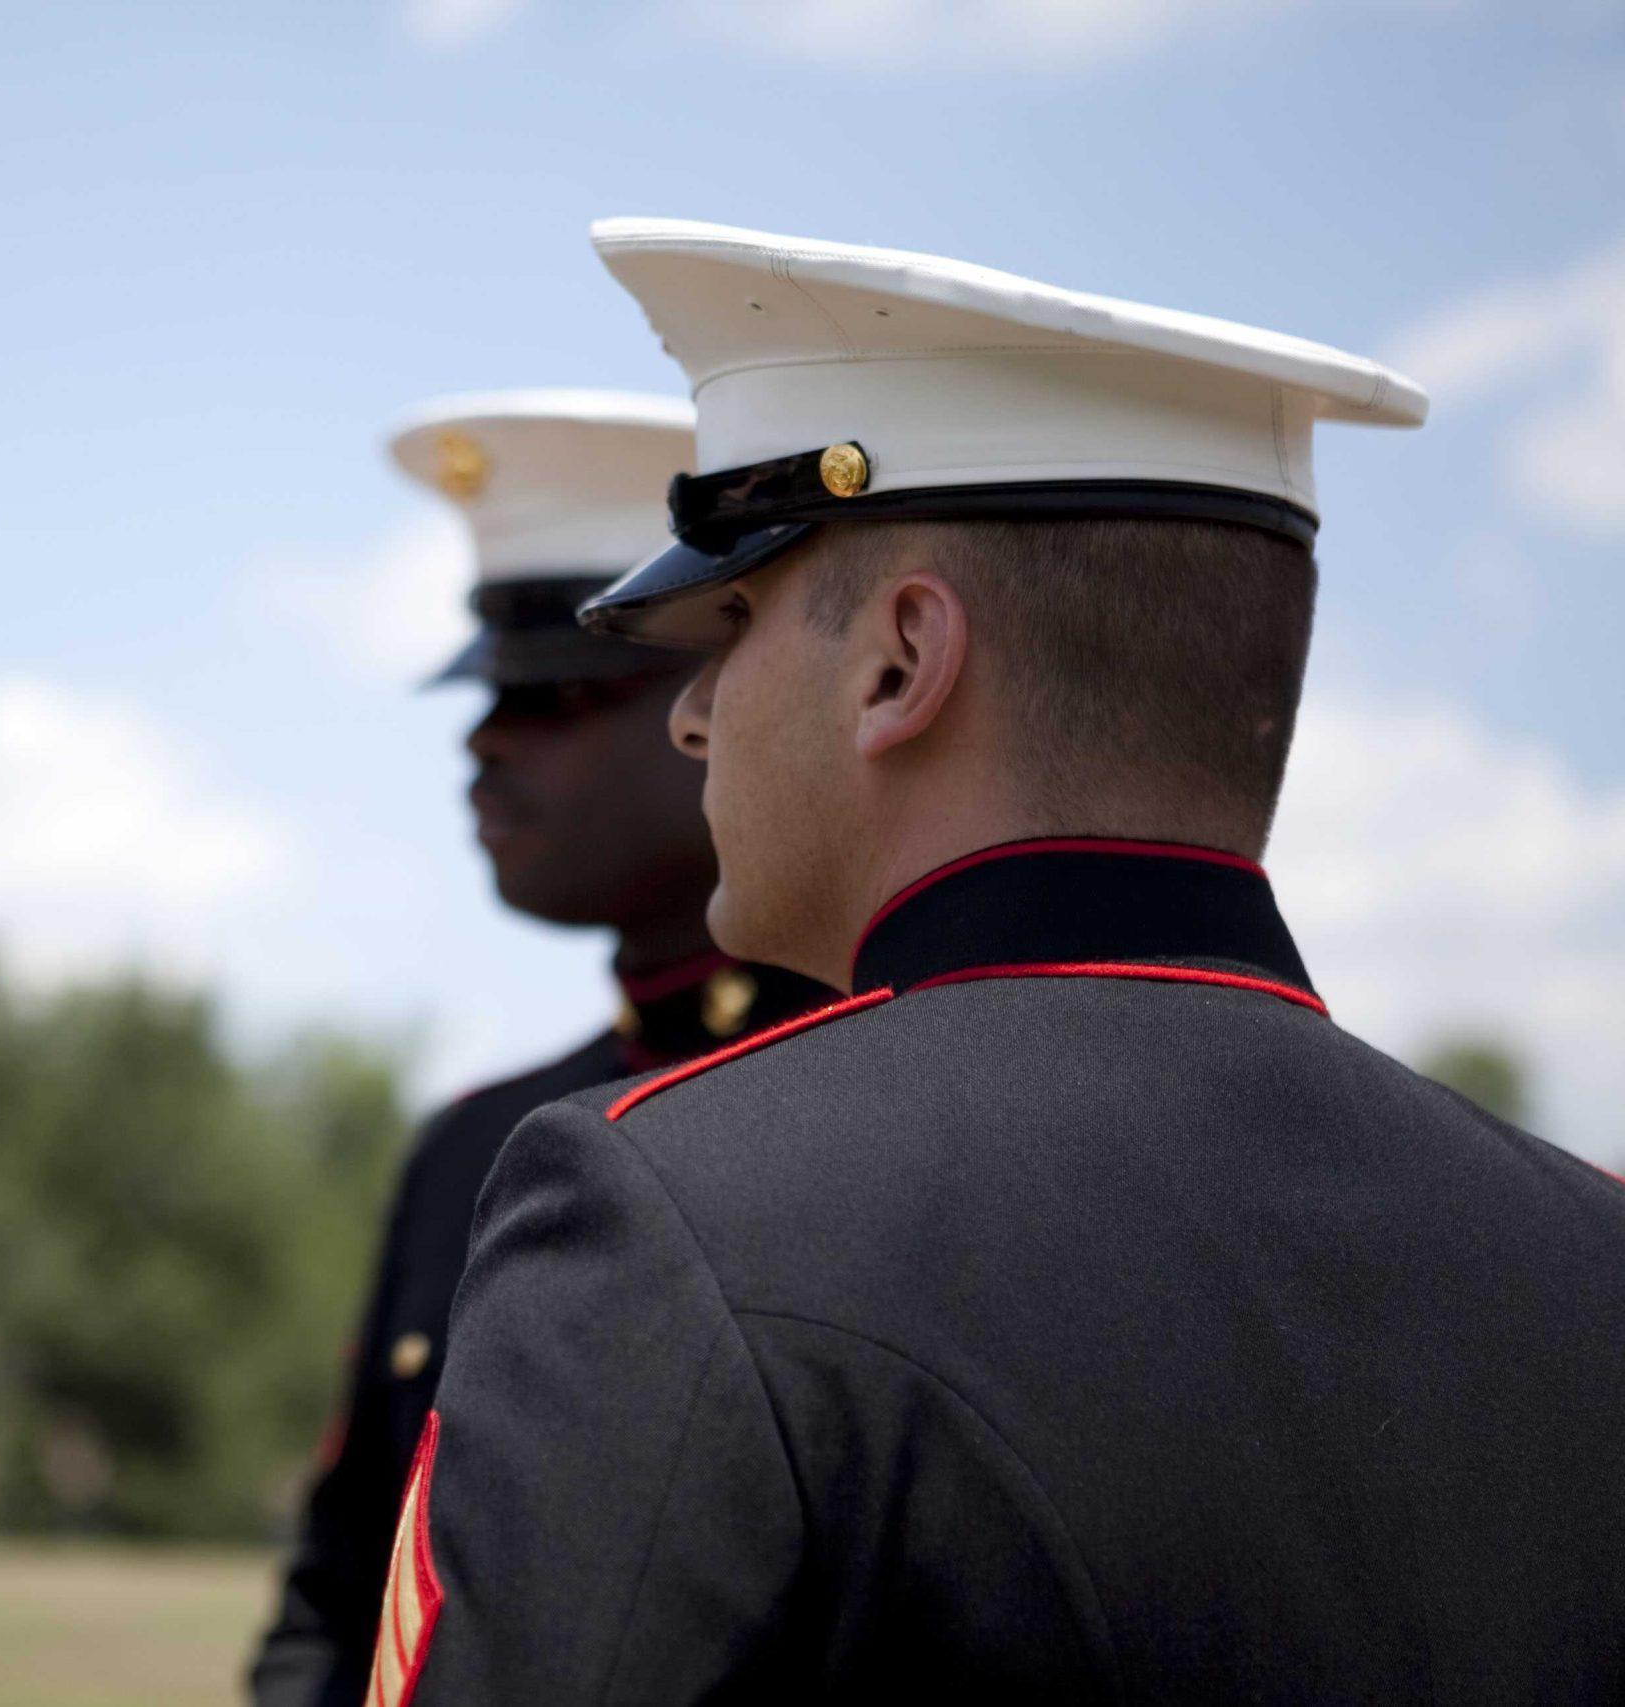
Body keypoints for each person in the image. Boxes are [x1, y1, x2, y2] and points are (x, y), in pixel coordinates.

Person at [373, 223, 1625, 1704]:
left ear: (901, 660)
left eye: (735, 614)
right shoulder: (1588, 1251)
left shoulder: (675, 1210)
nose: (695, 709)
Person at [249, 391, 836, 1707]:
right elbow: (339, 1602)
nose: (483, 737)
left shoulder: (890, 1096)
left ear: (717, 695)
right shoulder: (474, 1141)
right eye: (486, 687)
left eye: (557, 690)